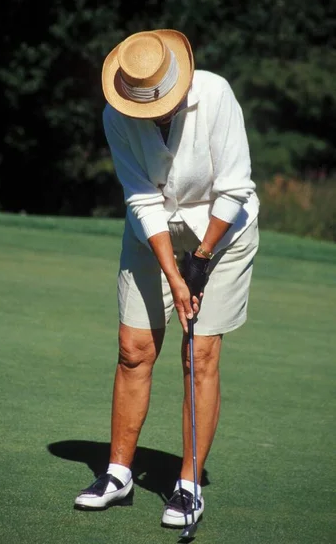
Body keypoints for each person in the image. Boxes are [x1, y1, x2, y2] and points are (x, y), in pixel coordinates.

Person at [74, 29, 259, 527]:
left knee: (198, 353)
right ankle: (117, 474)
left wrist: (199, 259)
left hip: (222, 230)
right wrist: (176, 277)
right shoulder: (118, 113)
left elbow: (235, 187)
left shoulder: (216, 94)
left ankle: (189, 485)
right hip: (153, 232)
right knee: (134, 348)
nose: (153, 111)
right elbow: (141, 198)